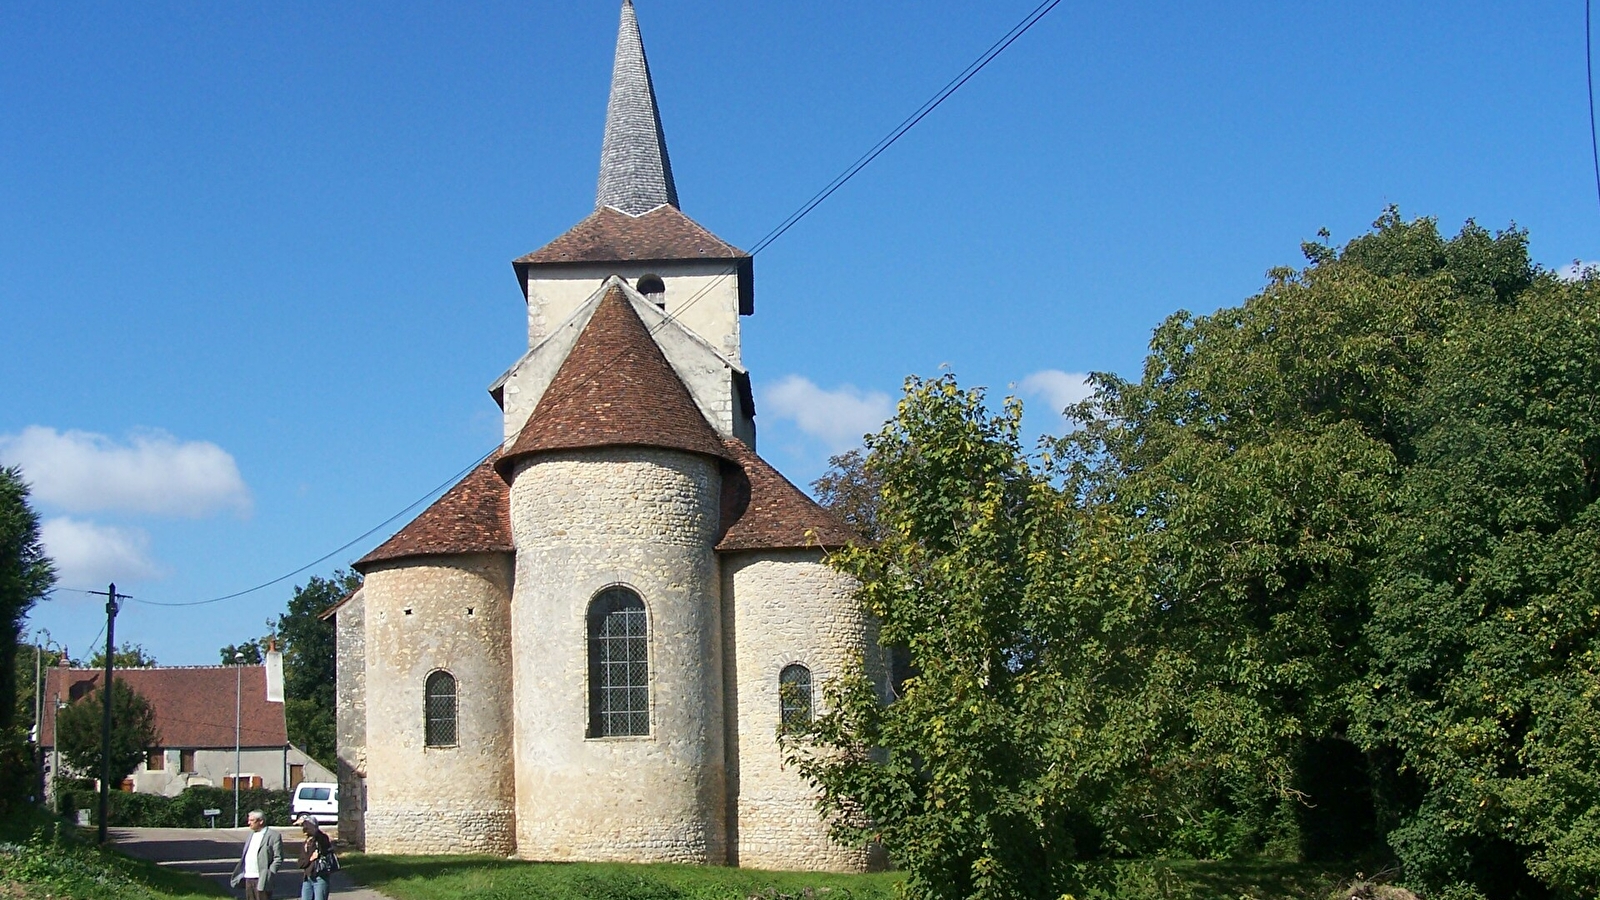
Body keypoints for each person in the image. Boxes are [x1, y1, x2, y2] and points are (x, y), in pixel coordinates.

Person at [229, 809, 284, 899]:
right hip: (248, 876)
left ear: (261, 821)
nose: (248, 823)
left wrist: (270, 872)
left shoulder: (273, 835)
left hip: (262, 877)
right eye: (249, 820)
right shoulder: (251, 834)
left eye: (252, 820)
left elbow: (278, 857)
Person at [297, 816, 334, 900]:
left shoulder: (321, 839)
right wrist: (310, 859)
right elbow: (300, 863)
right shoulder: (306, 843)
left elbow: (317, 833)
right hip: (307, 878)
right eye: (303, 827)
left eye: (305, 826)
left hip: (319, 877)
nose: (303, 829)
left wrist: (305, 821)